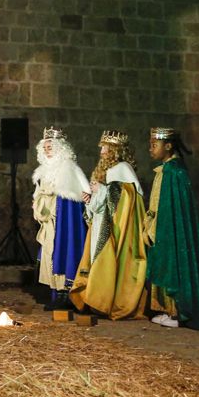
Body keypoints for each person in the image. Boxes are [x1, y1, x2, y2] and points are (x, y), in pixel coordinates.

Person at [69, 130, 148, 320]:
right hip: (100, 224)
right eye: (102, 147)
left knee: (108, 262)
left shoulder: (123, 169)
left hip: (116, 229)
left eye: (106, 148)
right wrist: (89, 199)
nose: (102, 151)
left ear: (116, 150)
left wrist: (103, 189)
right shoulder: (103, 170)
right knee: (97, 261)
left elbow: (128, 197)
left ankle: (106, 301)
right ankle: (95, 300)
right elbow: (98, 205)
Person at [144, 128, 199, 329]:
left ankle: (177, 312)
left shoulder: (174, 172)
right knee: (165, 265)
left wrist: (160, 227)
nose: (150, 149)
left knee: (173, 266)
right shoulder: (167, 169)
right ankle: (168, 310)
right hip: (161, 227)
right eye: (149, 145)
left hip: (169, 230)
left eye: (154, 145)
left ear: (168, 146)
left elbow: (171, 208)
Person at [31, 127, 89, 310]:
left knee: (65, 251)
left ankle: (67, 293)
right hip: (50, 221)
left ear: (60, 148)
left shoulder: (69, 168)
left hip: (65, 221)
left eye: (51, 147)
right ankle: (56, 293)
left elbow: (80, 194)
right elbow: (39, 194)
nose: (47, 150)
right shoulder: (43, 171)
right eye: (45, 147)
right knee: (51, 254)